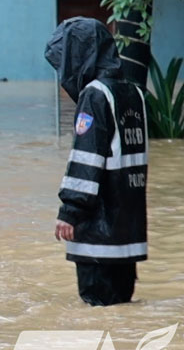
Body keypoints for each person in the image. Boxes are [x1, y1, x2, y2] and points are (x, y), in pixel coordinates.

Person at [46, 18, 148, 306]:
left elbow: (87, 157)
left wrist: (70, 210)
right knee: (120, 309)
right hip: (128, 234)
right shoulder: (133, 93)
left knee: (97, 311)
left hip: (99, 237)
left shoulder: (94, 94)